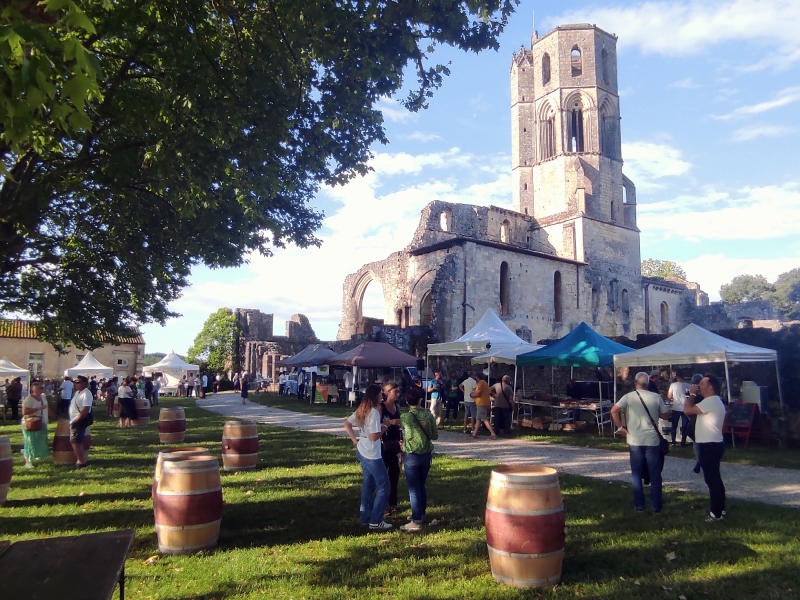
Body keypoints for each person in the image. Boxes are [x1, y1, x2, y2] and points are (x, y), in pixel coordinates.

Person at [611, 372, 670, 513]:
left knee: (636, 473)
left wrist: (620, 427)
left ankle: (639, 505)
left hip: (635, 439)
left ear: (635, 382)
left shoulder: (629, 397)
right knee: (655, 474)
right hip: (652, 439)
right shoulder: (656, 397)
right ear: (648, 383)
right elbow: (665, 415)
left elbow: (614, 410)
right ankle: (656, 505)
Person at [343, 384, 393, 530]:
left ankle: (366, 517)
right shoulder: (374, 413)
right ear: (375, 395)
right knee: (384, 486)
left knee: (369, 484)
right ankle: (376, 520)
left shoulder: (362, 409)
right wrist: (386, 426)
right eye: (380, 394)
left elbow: (347, 423)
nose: (382, 396)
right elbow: (374, 436)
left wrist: (355, 441)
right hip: (372, 453)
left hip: (362, 449)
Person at [684, 374, 727, 523]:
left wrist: (692, 394)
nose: (699, 385)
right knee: (714, 479)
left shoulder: (711, 401)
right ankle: (720, 508)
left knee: (712, 480)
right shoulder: (711, 401)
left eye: (702, 383)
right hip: (711, 443)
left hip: (710, 445)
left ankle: (716, 513)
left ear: (710, 387)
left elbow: (687, 410)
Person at [399, 387, 438, 532]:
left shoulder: (405, 417)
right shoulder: (428, 416)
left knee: (413, 489)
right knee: (421, 485)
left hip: (411, 455)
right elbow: (434, 435)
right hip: (426, 454)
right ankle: (421, 513)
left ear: (407, 402)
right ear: (421, 400)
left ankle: (416, 520)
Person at [381, 382, 403, 516]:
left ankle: (393, 503)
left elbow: (400, 427)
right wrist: (390, 423)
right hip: (383, 443)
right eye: (396, 392)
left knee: (394, 476)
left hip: (395, 444)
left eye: (399, 391)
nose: (398, 394)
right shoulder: (380, 407)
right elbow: (374, 424)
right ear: (387, 392)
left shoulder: (397, 406)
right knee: (383, 477)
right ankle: (382, 505)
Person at [21, 382, 53, 467]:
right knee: (30, 442)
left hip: (41, 422)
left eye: (43, 388)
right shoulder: (29, 399)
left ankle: (35, 455)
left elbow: (47, 408)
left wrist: (55, 415)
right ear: (35, 389)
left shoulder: (43, 397)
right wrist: (37, 408)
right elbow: (24, 412)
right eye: (41, 388)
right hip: (30, 423)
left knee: (40, 441)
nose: (43, 389)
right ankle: (28, 461)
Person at [70, 375, 93, 468]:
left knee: (75, 441)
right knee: (77, 440)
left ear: (84, 383)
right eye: (75, 382)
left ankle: (81, 461)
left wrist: (76, 420)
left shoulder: (86, 394)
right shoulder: (78, 393)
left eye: (78, 382)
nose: (76, 384)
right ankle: (81, 459)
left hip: (80, 419)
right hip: (75, 419)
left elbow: (86, 409)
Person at [470, 372, 497, 439]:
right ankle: (474, 433)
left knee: (484, 419)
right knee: (478, 419)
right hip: (482, 403)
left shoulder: (481, 383)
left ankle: (493, 433)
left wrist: (471, 395)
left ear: (477, 377)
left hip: (481, 403)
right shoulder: (484, 383)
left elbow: (478, 393)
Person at [668, 370, 690, 447]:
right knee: (684, 426)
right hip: (685, 407)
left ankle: (673, 441)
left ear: (676, 377)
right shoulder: (687, 385)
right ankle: (683, 442)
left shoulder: (673, 385)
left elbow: (669, 396)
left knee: (674, 425)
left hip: (676, 407)